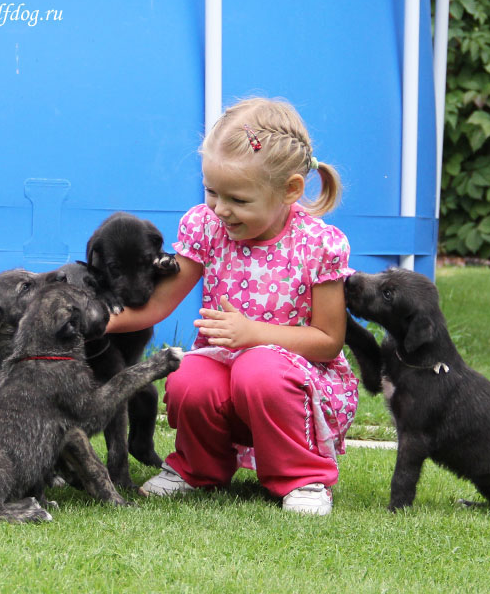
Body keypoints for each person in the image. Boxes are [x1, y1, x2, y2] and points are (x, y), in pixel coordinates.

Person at [105, 97, 359, 515]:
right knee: (189, 374)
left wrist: (254, 334)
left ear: (290, 190)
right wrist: (93, 323)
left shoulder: (318, 244)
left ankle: (302, 477)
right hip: (227, 382)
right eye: (211, 191)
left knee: (258, 367)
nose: (220, 209)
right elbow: (157, 305)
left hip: (294, 390)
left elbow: (328, 341)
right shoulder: (206, 227)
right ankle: (197, 469)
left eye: (238, 200)